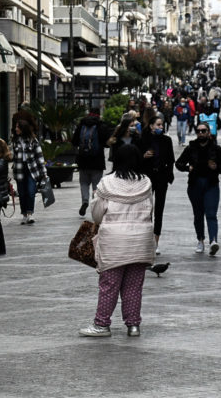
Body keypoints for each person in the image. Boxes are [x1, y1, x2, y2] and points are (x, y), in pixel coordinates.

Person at [79, 144, 156, 338]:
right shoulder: (146, 183)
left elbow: (97, 215)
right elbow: (150, 210)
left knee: (109, 286)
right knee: (133, 287)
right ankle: (133, 326)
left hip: (114, 242)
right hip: (141, 242)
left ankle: (102, 324)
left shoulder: (106, 184)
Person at [175, 122, 221, 255]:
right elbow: (178, 163)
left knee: (211, 214)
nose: (201, 133)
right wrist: (188, 168)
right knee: (198, 214)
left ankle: (213, 241)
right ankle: (200, 240)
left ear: (208, 132)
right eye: (198, 131)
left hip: (211, 184)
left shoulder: (216, 149)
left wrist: (216, 167)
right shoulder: (191, 148)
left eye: (203, 131)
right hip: (195, 185)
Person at [139, 116, 175, 255]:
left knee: (159, 209)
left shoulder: (167, 140)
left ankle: (155, 241)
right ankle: (145, 240)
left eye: (162, 125)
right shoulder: (143, 140)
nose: (161, 127)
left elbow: (171, 159)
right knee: (146, 209)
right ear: (151, 126)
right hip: (147, 177)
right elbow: (136, 158)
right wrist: (144, 156)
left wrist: (168, 175)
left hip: (161, 177)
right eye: (158, 125)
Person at [72, 109, 111, 216]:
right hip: (97, 161)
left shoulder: (81, 125)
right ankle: (95, 204)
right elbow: (107, 143)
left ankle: (85, 201)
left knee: (84, 183)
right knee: (96, 185)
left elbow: (74, 141)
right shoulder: (101, 126)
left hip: (83, 160)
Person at [12, 119, 48, 225]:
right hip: (19, 169)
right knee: (22, 193)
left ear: (23, 128)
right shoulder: (15, 141)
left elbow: (39, 157)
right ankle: (24, 214)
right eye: (16, 127)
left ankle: (30, 213)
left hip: (31, 169)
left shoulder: (33, 140)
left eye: (18, 127)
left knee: (31, 192)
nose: (16, 129)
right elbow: (13, 157)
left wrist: (44, 172)